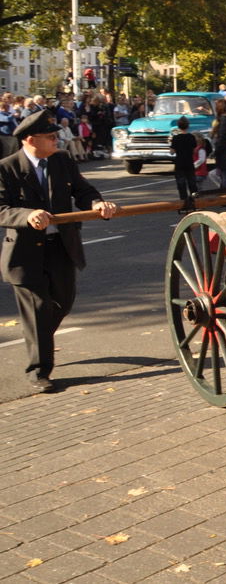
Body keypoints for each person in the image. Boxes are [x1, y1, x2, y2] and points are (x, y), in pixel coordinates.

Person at [0, 112, 117, 392]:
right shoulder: (6, 168)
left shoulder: (62, 160)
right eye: (51, 137)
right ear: (30, 140)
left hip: (61, 247)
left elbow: (83, 190)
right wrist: (27, 215)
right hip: (24, 253)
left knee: (63, 301)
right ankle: (39, 371)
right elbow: (2, 208)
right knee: (39, 307)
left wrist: (98, 204)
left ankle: (40, 339)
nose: (57, 140)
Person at [169, 116, 198, 211]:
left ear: (178, 126)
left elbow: (172, 152)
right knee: (192, 184)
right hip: (189, 162)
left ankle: (184, 204)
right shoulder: (191, 137)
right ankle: (195, 203)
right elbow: (194, 150)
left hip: (179, 163)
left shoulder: (176, 138)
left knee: (181, 186)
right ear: (188, 126)